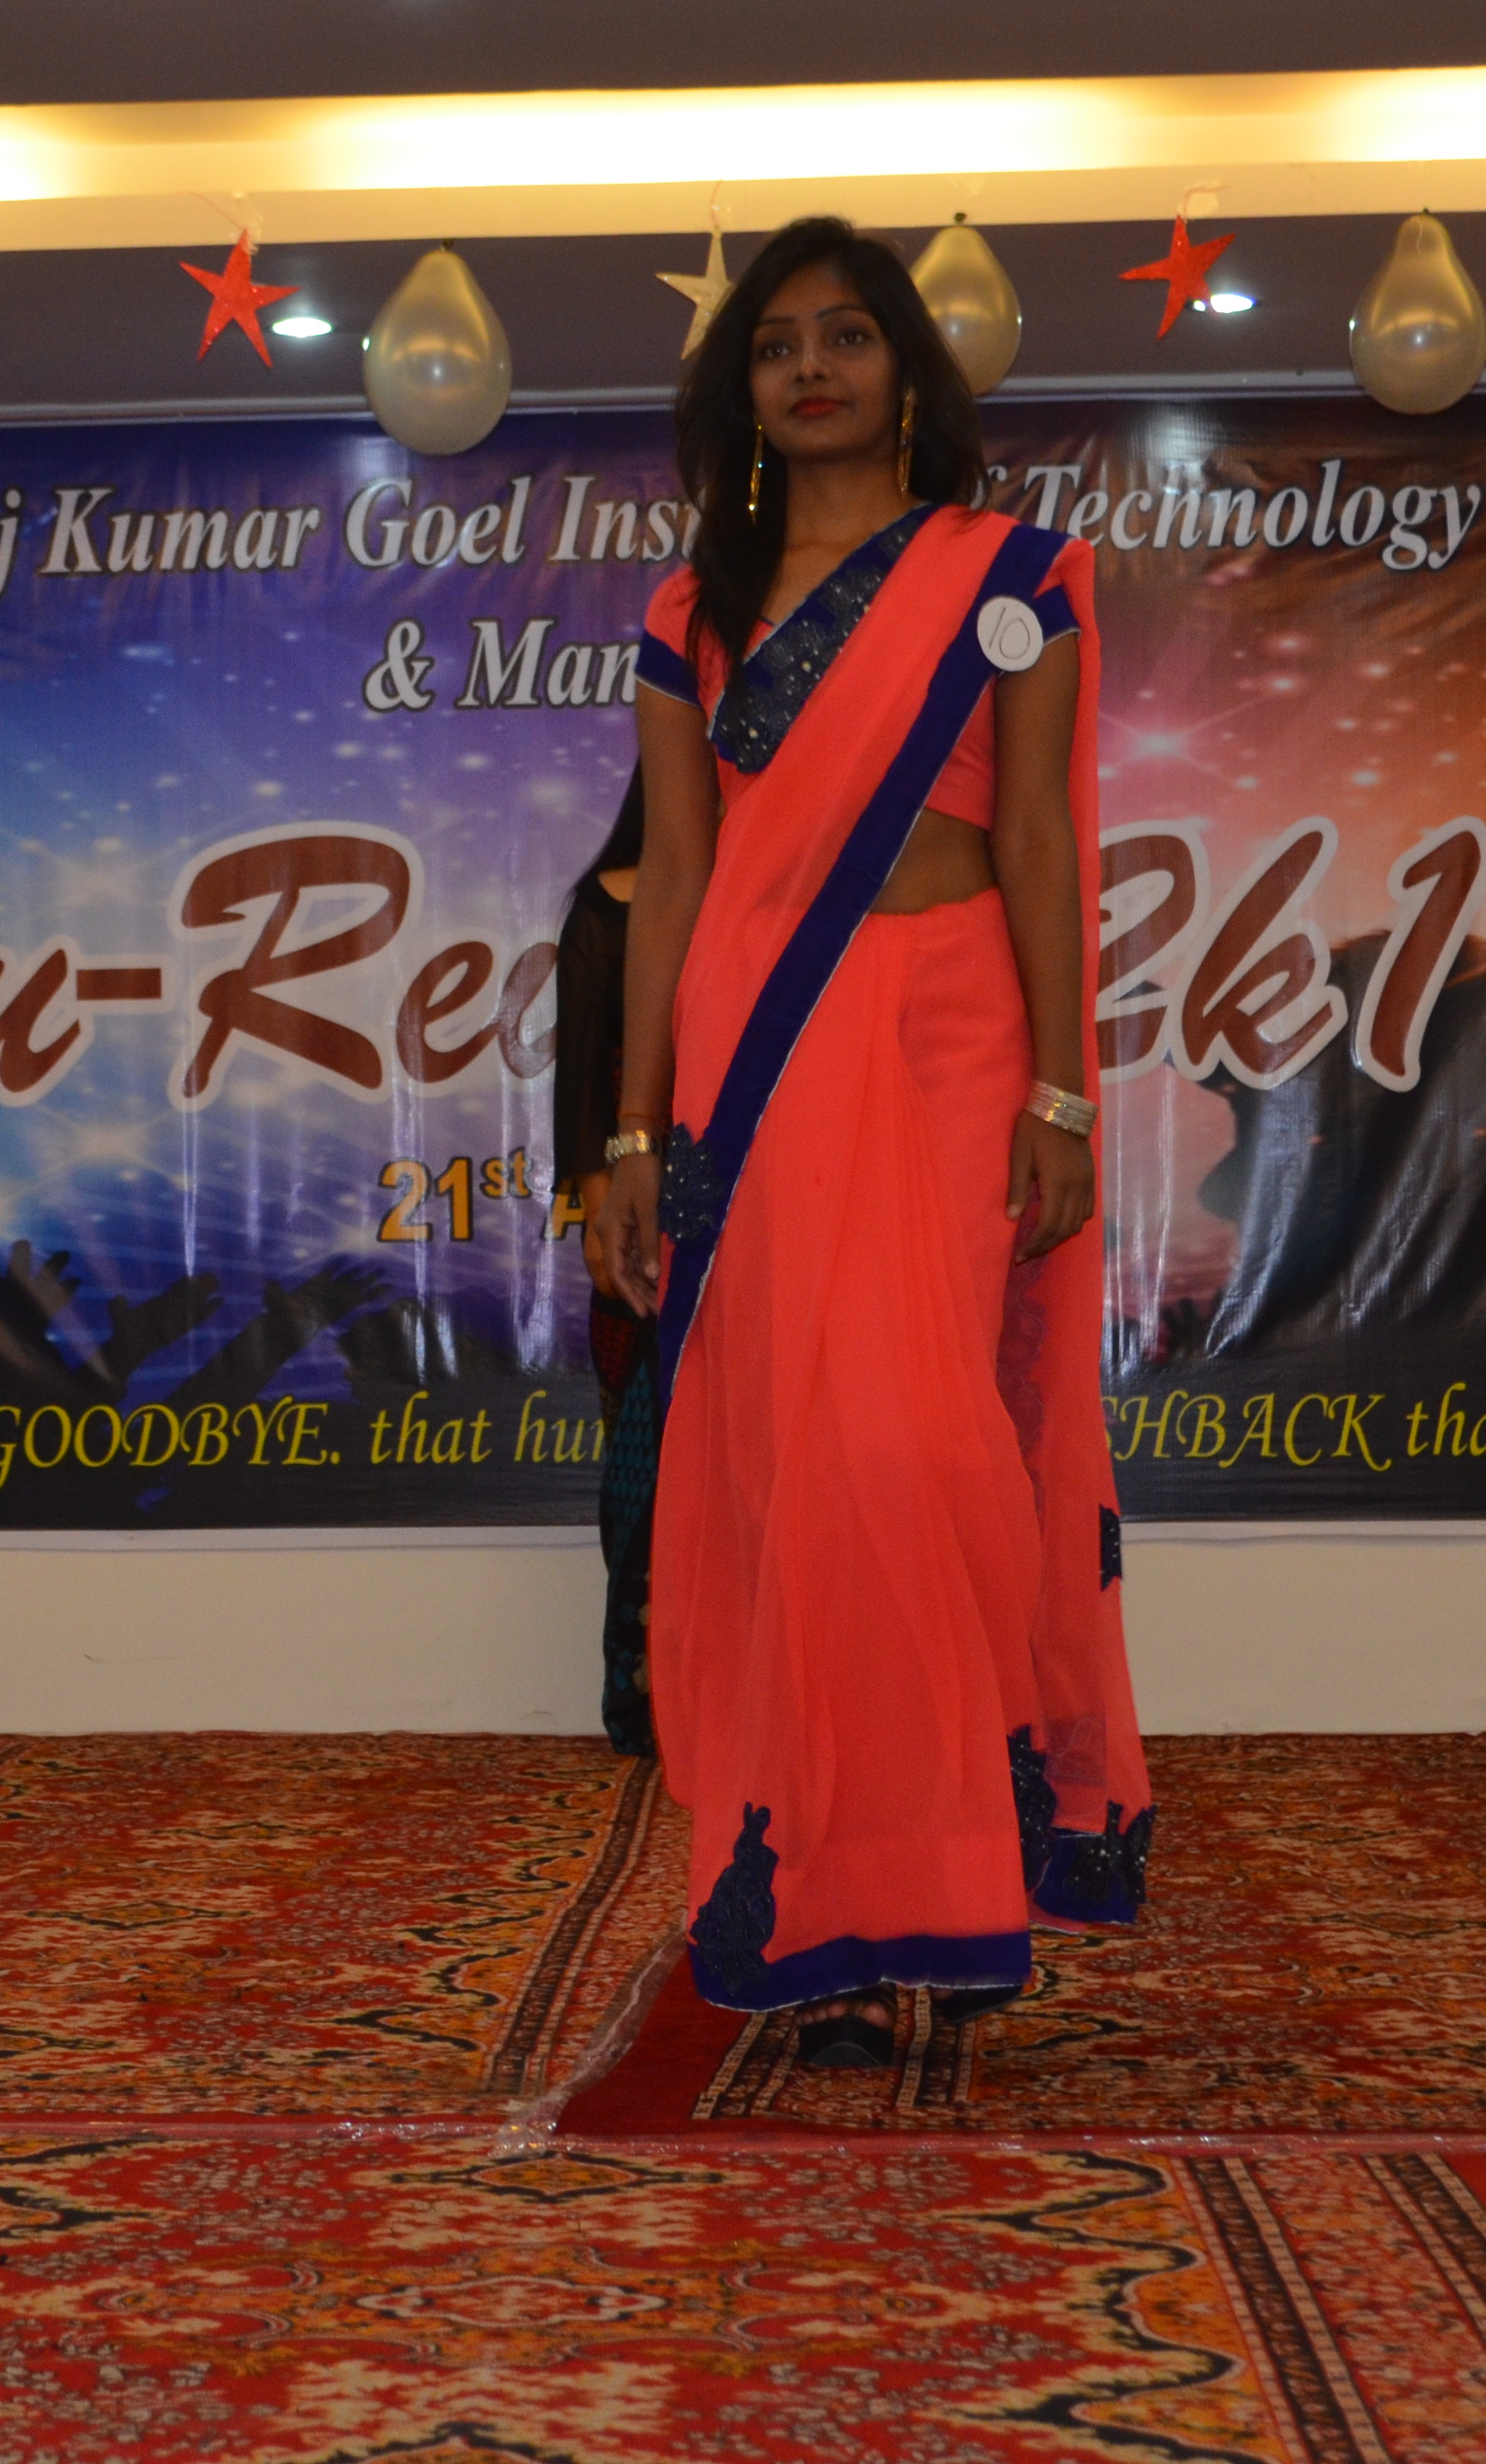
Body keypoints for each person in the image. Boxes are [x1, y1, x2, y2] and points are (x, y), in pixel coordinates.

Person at [591, 215, 1147, 2071]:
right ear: (738, 390)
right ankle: (824, 1906)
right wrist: (630, 1128)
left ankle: (958, 1858)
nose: (810, 367)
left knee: (929, 1448)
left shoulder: (1019, 573)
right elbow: (672, 878)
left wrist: (1060, 1088)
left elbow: (1040, 839)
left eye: (843, 335)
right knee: (800, 1470)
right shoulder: (696, 607)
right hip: (762, 1047)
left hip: (958, 1030)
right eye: (775, 346)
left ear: (906, 366)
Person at [550, 774, 655, 1755]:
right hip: (640, 1227)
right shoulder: (606, 907)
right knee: (640, 1462)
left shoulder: (775, 897)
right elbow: (583, 1077)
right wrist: (597, 1213)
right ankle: (642, 1689)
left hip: (760, 1221)